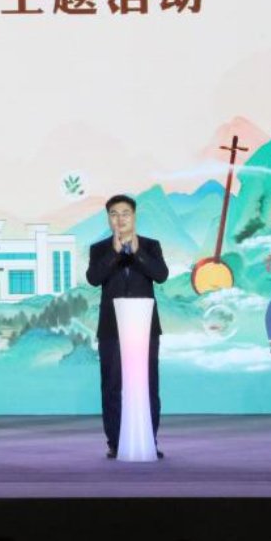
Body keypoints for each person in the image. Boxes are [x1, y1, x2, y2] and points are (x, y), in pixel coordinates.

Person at [85, 194, 168, 459]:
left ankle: (149, 439)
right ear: (108, 219)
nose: (120, 219)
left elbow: (161, 275)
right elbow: (93, 278)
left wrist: (137, 252)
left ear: (134, 216)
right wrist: (114, 252)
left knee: (148, 384)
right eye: (114, 214)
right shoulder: (100, 249)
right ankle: (115, 441)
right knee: (112, 385)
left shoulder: (151, 246)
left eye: (125, 213)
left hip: (145, 329)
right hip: (112, 328)